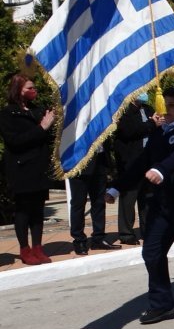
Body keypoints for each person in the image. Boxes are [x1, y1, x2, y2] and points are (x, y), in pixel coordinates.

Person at [106, 87, 174, 324]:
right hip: (163, 205)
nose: (168, 110)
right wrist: (116, 187)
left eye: (173, 105)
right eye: (166, 105)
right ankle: (162, 303)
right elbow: (140, 163)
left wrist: (161, 169)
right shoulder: (159, 134)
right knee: (151, 251)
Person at [0, 75, 55, 265]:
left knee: (38, 209)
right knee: (24, 209)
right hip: (21, 168)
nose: (33, 91)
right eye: (29, 88)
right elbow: (15, 141)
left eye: (34, 87)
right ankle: (25, 249)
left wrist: (50, 125)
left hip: (39, 167)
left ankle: (38, 247)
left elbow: (46, 137)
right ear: (18, 90)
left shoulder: (36, 111)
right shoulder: (8, 113)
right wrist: (41, 128)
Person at [113, 92, 162, 245]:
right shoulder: (123, 111)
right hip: (131, 161)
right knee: (129, 198)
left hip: (148, 160)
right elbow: (129, 131)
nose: (144, 94)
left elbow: (156, 128)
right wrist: (152, 124)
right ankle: (126, 233)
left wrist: (156, 123)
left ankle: (147, 229)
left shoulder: (147, 109)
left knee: (147, 198)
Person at [68, 143, 121, 255]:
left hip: (99, 160)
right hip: (79, 161)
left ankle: (98, 238)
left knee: (99, 203)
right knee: (78, 203)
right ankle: (79, 240)